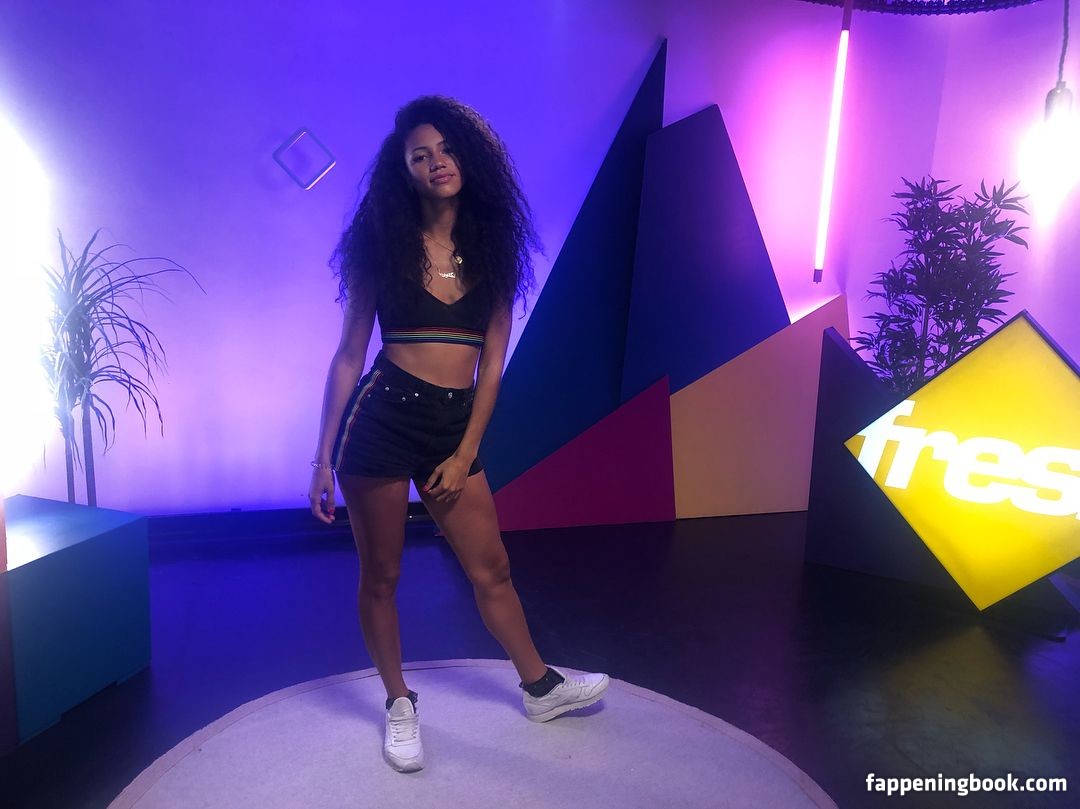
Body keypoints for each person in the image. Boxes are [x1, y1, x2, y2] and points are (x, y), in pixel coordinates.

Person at [308, 96, 609, 773]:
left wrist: (466, 449)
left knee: (491, 567)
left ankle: (540, 688)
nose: (436, 162)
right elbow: (349, 356)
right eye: (420, 155)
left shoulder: (493, 251)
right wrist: (321, 457)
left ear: (468, 159)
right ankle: (399, 703)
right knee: (382, 575)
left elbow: (492, 364)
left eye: (446, 150)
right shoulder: (381, 249)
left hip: (453, 426)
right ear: (405, 171)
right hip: (381, 419)